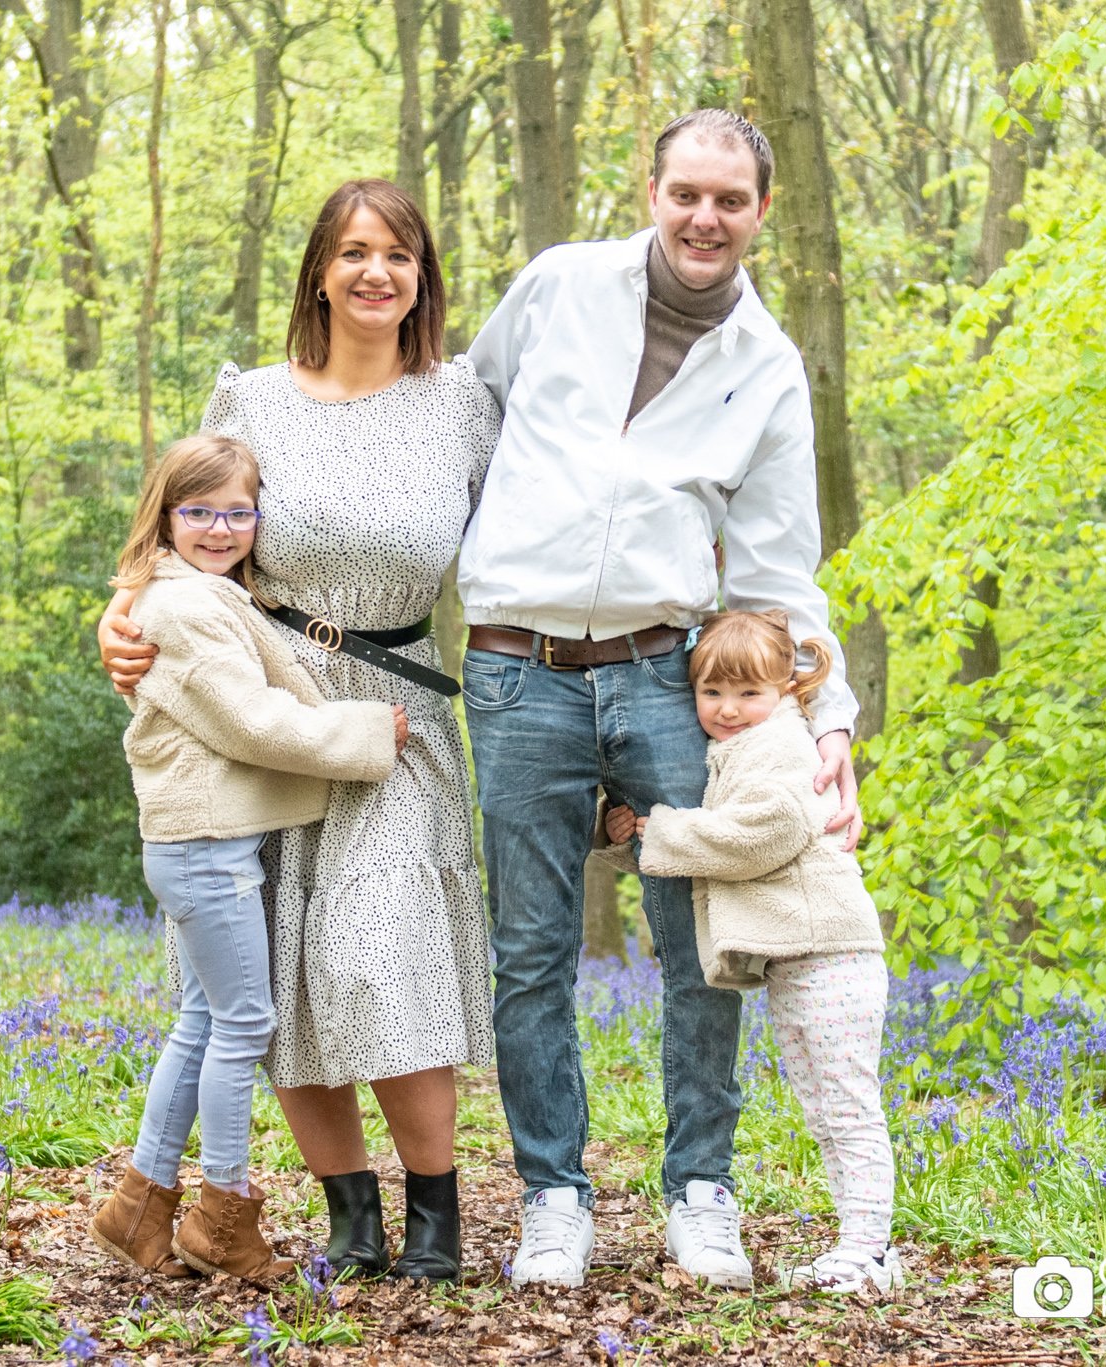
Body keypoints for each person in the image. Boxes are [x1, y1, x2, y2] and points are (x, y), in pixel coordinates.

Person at [460, 107, 864, 1290]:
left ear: (759, 214)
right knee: (530, 949)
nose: (704, 217)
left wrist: (825, 716)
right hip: (511, 662)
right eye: (686, 192)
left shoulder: (769, 365)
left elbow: (781, 571)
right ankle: (551, 1195)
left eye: (728, 200)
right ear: (651, 190)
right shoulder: (555, 288)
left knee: (701, 938)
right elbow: (465, 429)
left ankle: (701, 1187)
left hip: (663, 672)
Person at [97, 179, 499, 1283]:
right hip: (257, 697)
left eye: (399, 256)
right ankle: (347, 1221)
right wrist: (117, 614)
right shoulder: (253, 399)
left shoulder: (462, 403)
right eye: (355, 252)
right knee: (275, 973)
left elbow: (525, 544)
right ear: (318, 270)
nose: (377, 274)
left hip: (397, 706)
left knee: (381, 955)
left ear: (423, 277)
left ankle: (435, 1218)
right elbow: (179, 526)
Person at [89, 433, 408, 1282]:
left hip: (201, 843)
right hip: (204, 848)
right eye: (200, 512)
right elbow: (255, 721)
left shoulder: (195, 593)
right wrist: (370, 731)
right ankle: (223, 1216)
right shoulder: (187, 608)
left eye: (238, 511)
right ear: (166, 516)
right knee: (242, 1026)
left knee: (201, 1022)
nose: (222, 528)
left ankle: (139, 1204)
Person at [600, 611, 899, 1295]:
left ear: (786, 691)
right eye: (711, 693)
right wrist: (630, 837)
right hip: (800, 957)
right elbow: (708, 846)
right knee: (825, 1106)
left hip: (833, 949)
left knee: (848, 1105)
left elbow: (762, 834)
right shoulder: (738, 749)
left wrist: (664, 828)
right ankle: (860, 1245)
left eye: (747, 693)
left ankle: (870, 1251)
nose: (728, 709)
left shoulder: (784, 744)